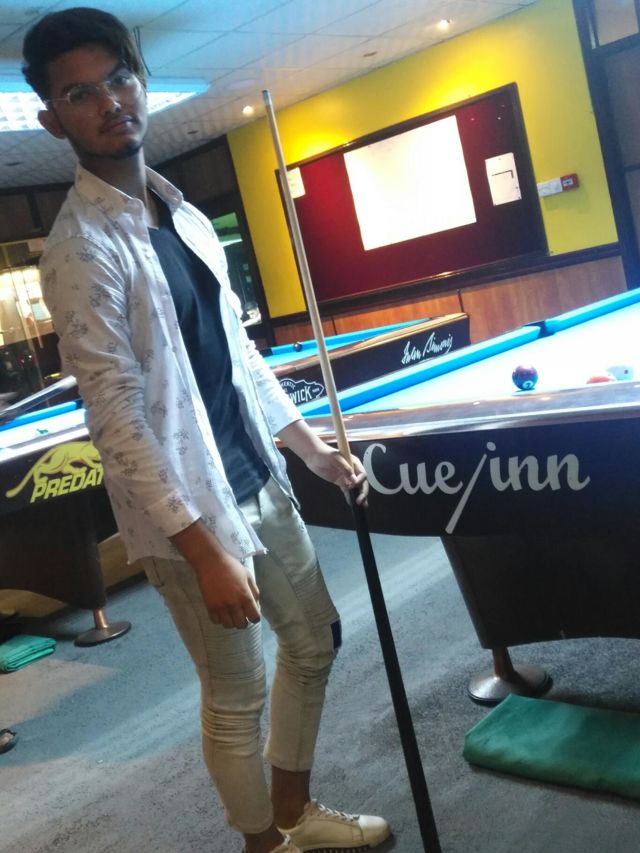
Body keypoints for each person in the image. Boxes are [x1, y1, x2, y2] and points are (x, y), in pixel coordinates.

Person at [22, 9, 390, 853]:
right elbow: (115, 421)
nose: (110, 102)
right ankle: (264, 846)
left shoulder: (182, 214)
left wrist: (309, 447)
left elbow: (237, 355)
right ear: (52, 119)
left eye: (119, 78)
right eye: (80, 93)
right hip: (188, 514)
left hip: (257, 476)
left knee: (315, 641)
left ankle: (293, 814)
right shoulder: (80, 248)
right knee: (236, 694)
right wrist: (203, 550)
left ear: (142, 83)